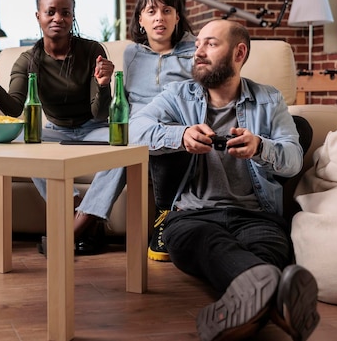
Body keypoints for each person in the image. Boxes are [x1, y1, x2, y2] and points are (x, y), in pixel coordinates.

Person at [136, 19, 320, 341]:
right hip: (192, 217)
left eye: (210, 44)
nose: (198, 52)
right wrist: (181, 135)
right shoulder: (177, 95)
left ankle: (248, 302)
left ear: (239, 53)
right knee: (208, 244)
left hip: (256, 216)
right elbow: (135, 129)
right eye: (197, 45)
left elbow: (292, 160)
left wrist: (260, 147)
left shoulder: (269, 100)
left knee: (270, 248)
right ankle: (282, 304)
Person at [0, 0, 115, 255]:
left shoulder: (91, 51)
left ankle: (73, 229)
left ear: (73, 16)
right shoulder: (27, 60)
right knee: (25, 142)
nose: (58, 18)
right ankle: (81, 218)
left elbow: (100, 112)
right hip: (56, 131)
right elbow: (14, 109)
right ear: (38, 16)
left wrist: (105, 83)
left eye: (65, 12)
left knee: (126, 148)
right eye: (51, 12)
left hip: (94, 128)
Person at [77, 0, 196, 260]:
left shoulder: (194, 52)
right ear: (140, 20)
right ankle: (86, 223)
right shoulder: (132, 54)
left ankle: (80, 224)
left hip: (174, 126)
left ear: (177, 17)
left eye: (167, 10)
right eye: (151, 11)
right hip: (139, 127)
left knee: (131, 146)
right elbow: (126, 99)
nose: (159, 18)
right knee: (125, 146)